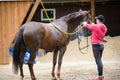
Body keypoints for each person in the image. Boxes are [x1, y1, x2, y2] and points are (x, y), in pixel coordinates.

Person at [83, 15, 107, 80]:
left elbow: (87, 26)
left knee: (98, 61)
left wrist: (84, 24)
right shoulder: (104, 27)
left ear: (98, 20)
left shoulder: (97, 27)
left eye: (97, 19)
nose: (96, 20)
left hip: (96, 46)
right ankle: (100, 75)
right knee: (99, 61)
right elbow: (95, 27)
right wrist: (93, 24)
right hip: (101, 45)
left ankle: (100, 76)